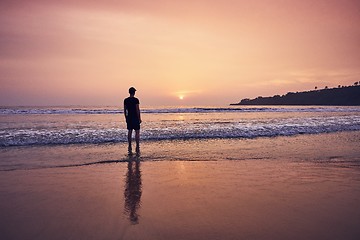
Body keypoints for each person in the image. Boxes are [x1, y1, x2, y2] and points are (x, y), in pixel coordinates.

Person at [124, 87, 142, 153]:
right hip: (135, 118)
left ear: (129, 92)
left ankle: (129, 145)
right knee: (137, 132)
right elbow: (137, 109)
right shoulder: (136, 100)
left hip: (129, 118)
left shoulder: (126, 100)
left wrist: (126, 118)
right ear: (134, 92)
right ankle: (137, 145)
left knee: (130, 131)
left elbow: (125, 110)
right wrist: (139, 118)